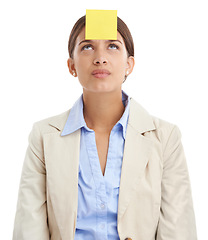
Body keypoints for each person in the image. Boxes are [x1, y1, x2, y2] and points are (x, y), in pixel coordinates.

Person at [12, 14, 197, 240]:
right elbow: (28, 229)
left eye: (112, 46)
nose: (100, 58)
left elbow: (178, 231)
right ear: (71, 66)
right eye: (87, 47)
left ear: (129, 64)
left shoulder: (166, 138)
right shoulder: (43, 136)